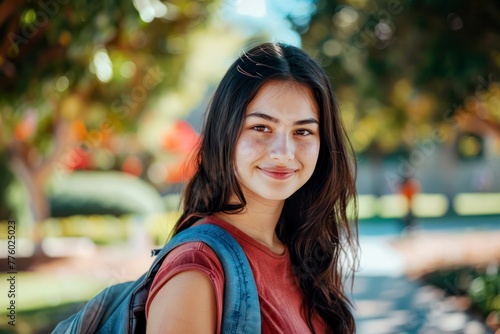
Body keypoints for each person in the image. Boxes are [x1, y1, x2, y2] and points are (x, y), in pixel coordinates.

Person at [146, 42, 359, 333]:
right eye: (261, 127)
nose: (283, 152)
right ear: (226, 132)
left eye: (303, 131)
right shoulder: (196, 270)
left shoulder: (301, 253)